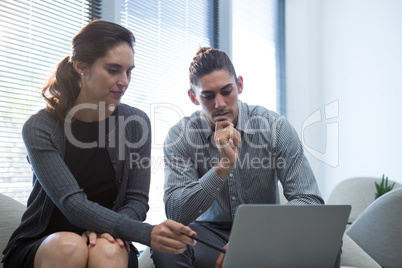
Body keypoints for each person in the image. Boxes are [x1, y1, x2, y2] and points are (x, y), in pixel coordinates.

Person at [1, 20, 197, 268]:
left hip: (111, 239)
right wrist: (146, 233)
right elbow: (72, 204)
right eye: (113, 70)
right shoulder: (40, 127)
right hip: (46, 243)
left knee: (107, 250)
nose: (124, 80)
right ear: (81, 66)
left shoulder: (136, 123)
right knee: (69, 247)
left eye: (129, 71)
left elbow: (137, 200)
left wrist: (109, 231)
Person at [150, 47, 342, 268]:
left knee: (327, 240)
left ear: (239, 85)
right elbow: (176, 212)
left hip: (268, 231)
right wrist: (222, 168)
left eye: (226, 91)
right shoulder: (180, 136)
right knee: (166, 242)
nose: (219, 103)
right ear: (193, 97)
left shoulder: (275, 127)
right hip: (209, 236)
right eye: (208, 95)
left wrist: (255, 238)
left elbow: (309, 200)